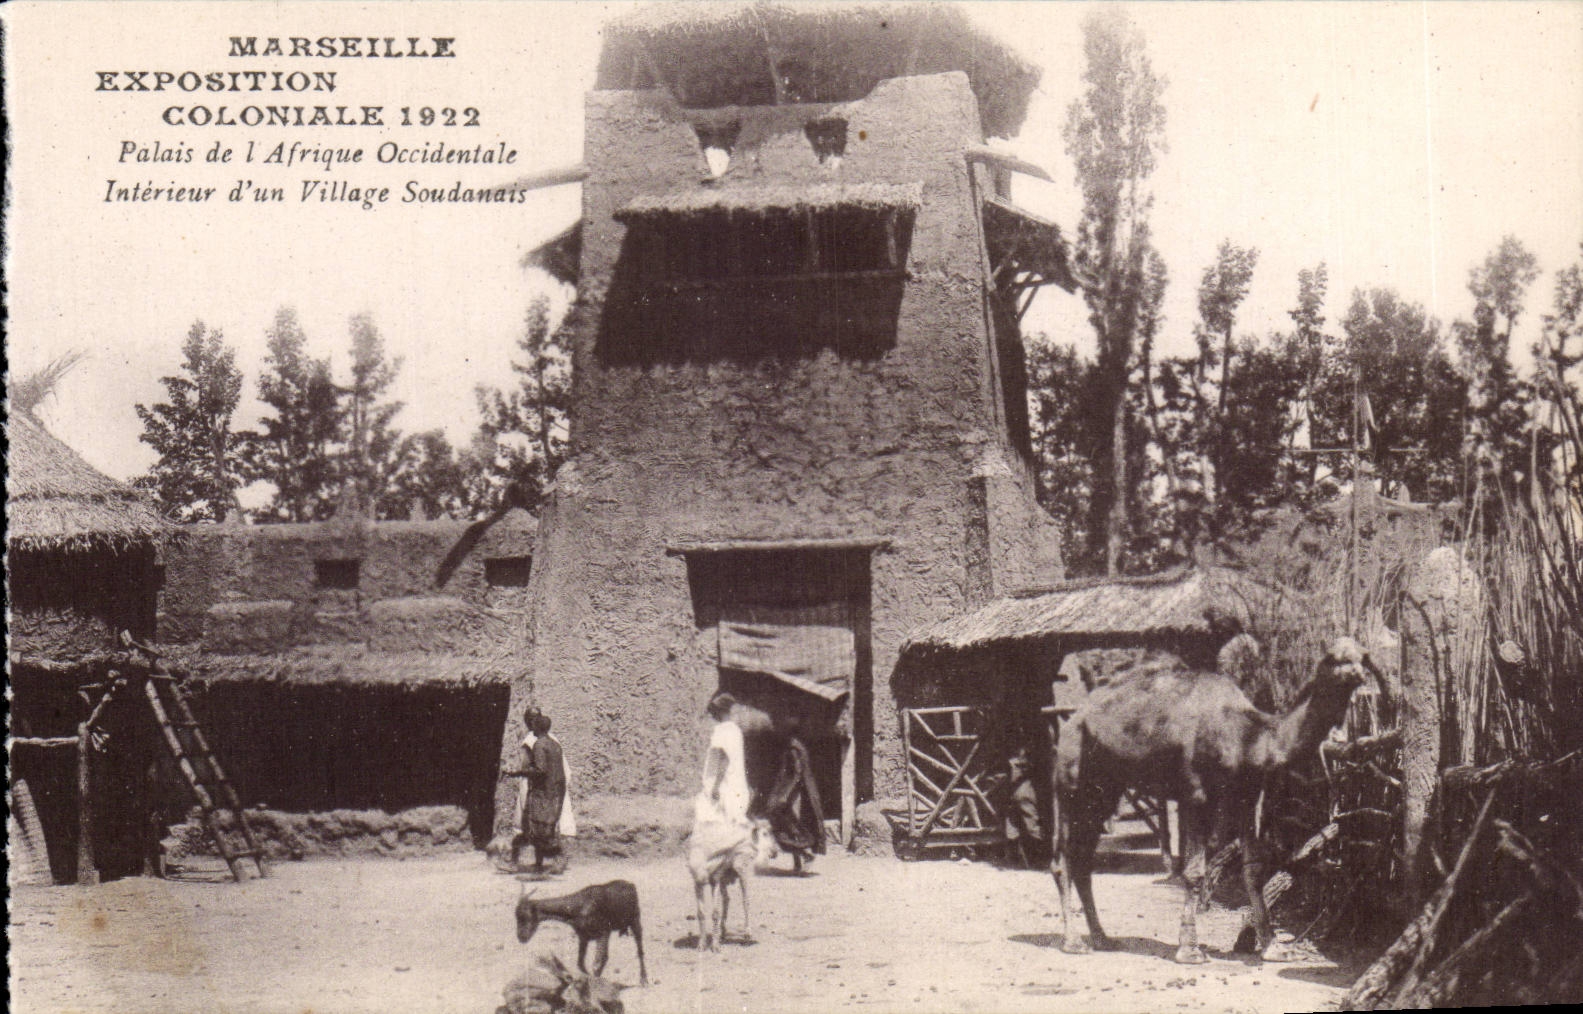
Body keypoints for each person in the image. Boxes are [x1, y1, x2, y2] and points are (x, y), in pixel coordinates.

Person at [764, 722, 825, 874]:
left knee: (787, 827)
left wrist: (786, 795)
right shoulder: (794, 746)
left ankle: (804, 856)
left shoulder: (793, 748)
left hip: (789, 793)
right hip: (790, 792)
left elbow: (797, 773)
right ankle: (799, 862)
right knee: (790, 827)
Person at [512, 709, 567, 876]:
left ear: (537, 726)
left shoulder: (539, 744)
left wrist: (521, 773)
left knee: (538, 829)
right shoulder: (555, 744)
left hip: (542, 793)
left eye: (533, 724)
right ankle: (541, 864)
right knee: (547, 827)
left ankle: (553, 860)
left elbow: (541, 770)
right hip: (555, 792)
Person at [697, 692, 751, 829]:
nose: (712, 715)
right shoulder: (736, 730)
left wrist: (716, 786)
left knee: (718, 826)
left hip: (725, 788)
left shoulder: (721, 730)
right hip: (737, 787)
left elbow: (724, 759)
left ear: (719, 711)